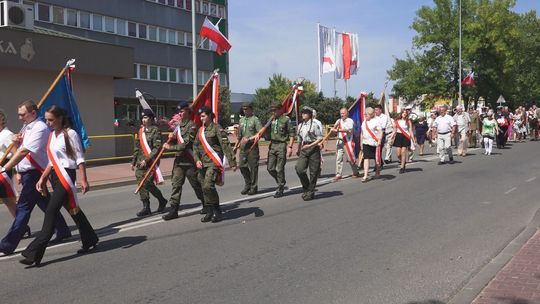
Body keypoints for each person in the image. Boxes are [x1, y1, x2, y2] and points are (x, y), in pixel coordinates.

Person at [19, 106, 99, 266]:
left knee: (50, 211)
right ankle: (90, 238)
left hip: (66, 176)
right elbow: (51, 161)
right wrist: (42, 178)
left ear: (60, 118)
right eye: (46, 119)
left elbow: (79, 158)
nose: (48, 123)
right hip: (55, 176)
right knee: (73, 210)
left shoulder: (71, 134)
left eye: (50, 120)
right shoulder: (51, 136)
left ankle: (33, 253)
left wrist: (84, 179)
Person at [0, 101, 71, 255]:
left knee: (23, 208)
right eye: (19, 114)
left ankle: (7, 245)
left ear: (33, 112)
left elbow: (24, 152)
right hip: (27, 173)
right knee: (45, 204)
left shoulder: (40, 127)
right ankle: (63, 229)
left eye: (22, 114)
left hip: (35, 173)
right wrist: (18, 169)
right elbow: (19, 149)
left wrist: (4, 168)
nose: (19, 117)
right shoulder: (26, 127)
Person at [162, 102, 205, 220]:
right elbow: (177, 142)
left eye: (182, 111)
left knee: (196, 185)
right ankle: (174, 210)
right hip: (179, 162)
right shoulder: (178, 127)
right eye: (179, 112)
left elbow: (186, 144)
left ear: (187, 111)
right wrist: (171, 138)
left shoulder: (192, 126)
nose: (180, 113)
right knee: (176, 185)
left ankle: (206, 203)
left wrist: (169, 147)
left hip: (190, 162)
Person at [193, 107, 237, 223]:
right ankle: (209, 210)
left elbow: (225, 145)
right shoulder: (200, 130)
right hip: (203, 163)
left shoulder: (217, 128)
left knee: (208, 186)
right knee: (204, 188)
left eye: (203, 116)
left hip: (214, 162)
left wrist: (232, 162)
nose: (201, 118)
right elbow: (195, 146)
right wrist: (197, 159)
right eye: (200, 116)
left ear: (209, 116)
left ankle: (217, 211)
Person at [131, 109, 168, 217]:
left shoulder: (155, 130)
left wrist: (146, 160)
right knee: (141, 183)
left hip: (151, 161)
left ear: (151, 119)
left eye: (146, 117)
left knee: (147, 182)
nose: (144, 120)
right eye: (142, 118)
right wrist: (133, 161)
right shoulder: (140, 131)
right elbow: (137, 147)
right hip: (139, 161)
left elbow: (157, 148)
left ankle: (161, 200)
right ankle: (146, 207)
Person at [290, 107, 323, 201]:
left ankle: (310, 192)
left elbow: (319, 138)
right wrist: (298, 149)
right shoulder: (300, 125)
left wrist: (310, 146)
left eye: (305, 113)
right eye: (302, 113)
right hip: (304, 149)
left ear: (310, 115)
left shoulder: (314, 125)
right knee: (299, 169)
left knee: (314, 172)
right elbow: (299, 139)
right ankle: (307, 187)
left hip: (313, 148)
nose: (303, 114)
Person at [266, 103, 295, 198]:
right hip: (272, 145)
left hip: (281, 145)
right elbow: (265, 130)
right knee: (270, 168)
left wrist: (290, 147)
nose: (273, 112)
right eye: (272, 111)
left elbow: (291, 134)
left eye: (274, 110)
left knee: (279, 168)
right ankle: (281, 181)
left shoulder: (286, 120)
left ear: (280, 110)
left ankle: (280, 188)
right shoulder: (272, 119)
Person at [237, 102, 262, 195]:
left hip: (252, 147)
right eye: (243, 109)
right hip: (243, 147)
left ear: (251, 109)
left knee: (253, 167)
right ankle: (248, 184)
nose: (245, 111)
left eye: (247, 109)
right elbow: (239, 136)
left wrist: (249, 139)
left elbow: (260, 133)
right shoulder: (241, 120)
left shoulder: (255, 120)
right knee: (242, 166)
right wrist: (236, 146)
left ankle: (253, 187)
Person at [332, 107, 359, 181]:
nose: (342, 115)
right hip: (340, 141)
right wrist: (333, 129)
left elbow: (347, 130)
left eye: (343, 113)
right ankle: (338, 174)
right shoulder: (339, 121)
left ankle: (355, 171)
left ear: (347, 113)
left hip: (347, 142)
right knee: (338, 158)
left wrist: (337, 130)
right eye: (341, 113)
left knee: (350, 159)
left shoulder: (350, 121)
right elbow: (334, 128)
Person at [0, 110, 17, 219]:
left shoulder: (7, 134)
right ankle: (21, 224)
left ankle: (21, 224)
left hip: (4, 168)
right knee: (6, 199)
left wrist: (17, 171)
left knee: (8, 199)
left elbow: (16, 153)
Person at [360, 107, 382, 182]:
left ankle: (378, 172)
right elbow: (362, 133)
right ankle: (365, 175)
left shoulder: (376, 121)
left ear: (371, 114)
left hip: (374, 143)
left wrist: (379, 140)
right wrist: (361, 143)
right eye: (365, 114)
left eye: (367, 114)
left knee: (376, 159)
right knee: (366, 158)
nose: (365, 115)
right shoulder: (364, 122)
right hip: (366, 142)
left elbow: (380, 131)